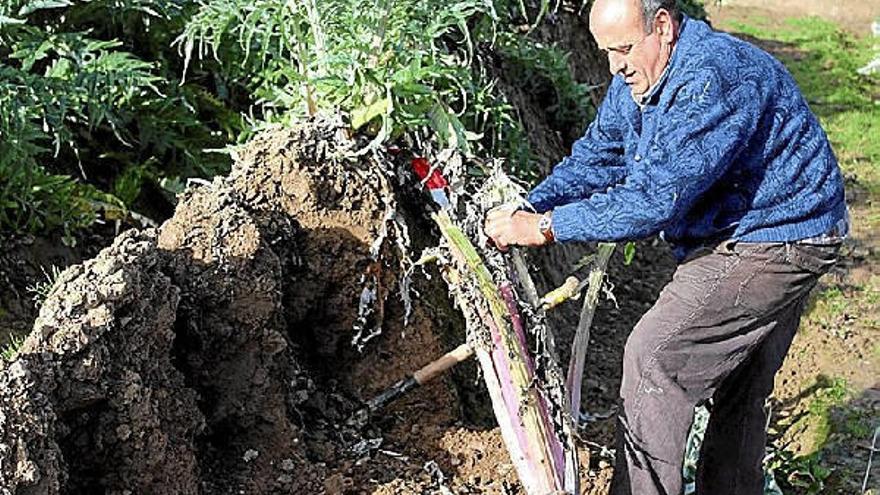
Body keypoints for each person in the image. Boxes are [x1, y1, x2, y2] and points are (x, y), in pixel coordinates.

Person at [482, 0, 848, 493]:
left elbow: (654, 200)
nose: (617, 65)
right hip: (765, 228)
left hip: (778, 237)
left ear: (663, 26)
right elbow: (600, 156)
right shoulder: (639, 80)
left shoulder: (711, 77)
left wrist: (545, 227)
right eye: (607, 52)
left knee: (655, 359)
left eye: (625, 49)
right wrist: (527, 206)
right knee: (741, 377)